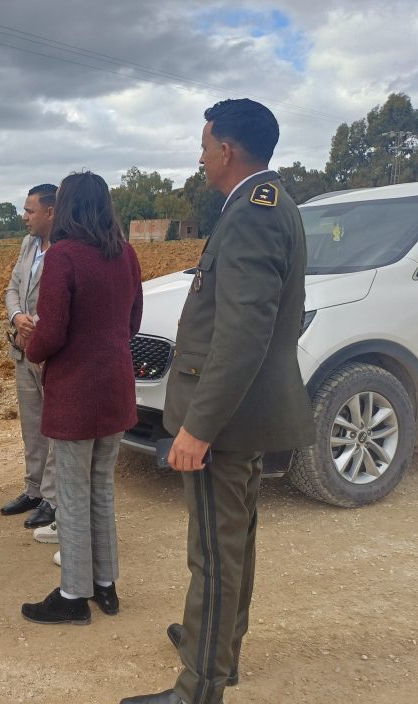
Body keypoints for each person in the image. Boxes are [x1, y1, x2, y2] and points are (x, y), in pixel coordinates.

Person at [120, 99, 314, 704]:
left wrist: (198, 428)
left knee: (214, 553)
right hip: (244, 414)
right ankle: (217, 649)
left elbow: (244, 332)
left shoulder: (252, 213)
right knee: (233, 543)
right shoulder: (269, 204)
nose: (200, 157)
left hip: (224, 422)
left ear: (227, 151)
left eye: (205, 147)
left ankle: (199, 686)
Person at [20, 171, 142, 625]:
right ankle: (105, 585)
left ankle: (73, 594)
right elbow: (132, 322)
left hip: (75, 392)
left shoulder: (64, 255)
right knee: (101, 489)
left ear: (67, 207)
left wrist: (31, 347)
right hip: (116, 388)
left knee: (72, 494)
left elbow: (51, 331)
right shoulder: (126, 253)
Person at [0, 183, 59, 531]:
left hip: (48, 352)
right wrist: (16, 316)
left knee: (53, 426)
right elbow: (12, 288)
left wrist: (32, 324)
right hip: (23, 350)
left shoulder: (65, 249)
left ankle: (52, 498)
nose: (24, 216)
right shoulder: (27, 245)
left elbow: (58, 302)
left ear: (50, 212)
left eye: (29, 210)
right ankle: (33, 489)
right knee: (32, 425)